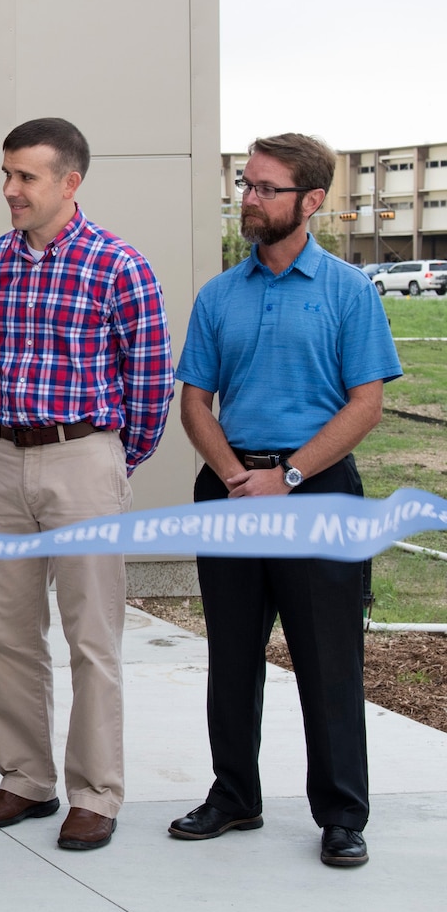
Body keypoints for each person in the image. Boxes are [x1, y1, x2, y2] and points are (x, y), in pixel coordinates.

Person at [170, 133, 400, 868]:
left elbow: (366, 405)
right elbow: (196, 402)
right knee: (231, 656)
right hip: (231, 490)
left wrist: (289, 476)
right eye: (246, 184)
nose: (251, 199)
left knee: (328, 659)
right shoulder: (219, 295)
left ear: (312, 201)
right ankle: (234, 796)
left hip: (317, 494)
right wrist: (236, 475)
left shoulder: (348, 291)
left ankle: (341, 814)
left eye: (267, 188)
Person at [0, 117, 173, 852]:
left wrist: (111, 462)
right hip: (2, 459)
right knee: (11, 633)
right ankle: (25, 780)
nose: (10, 190)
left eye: (26, 177)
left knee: (92, 635)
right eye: (7, 174)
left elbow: (149, 385)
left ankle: (96, 793)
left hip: (84, 457)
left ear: (69, 182)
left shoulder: (120, 266)